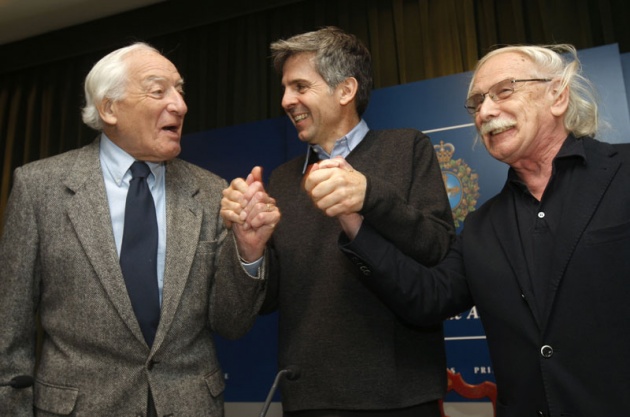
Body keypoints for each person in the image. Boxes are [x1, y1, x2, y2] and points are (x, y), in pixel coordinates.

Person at [338, 43, 630, 416]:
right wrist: (353, 220)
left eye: (504, 90)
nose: (486, 111)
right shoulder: (482, 227)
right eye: (477, 103)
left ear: (558, 96)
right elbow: (427, 299)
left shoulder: (624, 173)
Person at [0, 42, 279, 416]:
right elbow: (8, 329)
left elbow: (230, 324)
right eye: (158, 90)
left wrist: (248, 251)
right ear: (109, 108)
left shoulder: (213, 192)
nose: (179, 105)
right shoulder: (40, 187)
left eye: (180, 90)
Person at [221, 27, 455, 416]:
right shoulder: (280, 179)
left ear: (345, 90)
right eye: (284, 88)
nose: (285, 101)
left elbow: (436, 248)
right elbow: (270, 301)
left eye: (299, 86)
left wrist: (369, 196)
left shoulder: (407, 148)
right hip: (310, 399)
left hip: (400, 398)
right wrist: (251, 249)